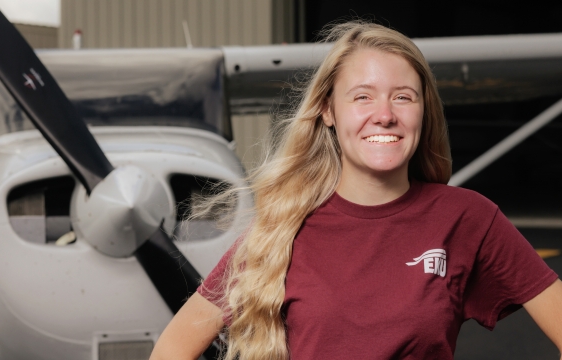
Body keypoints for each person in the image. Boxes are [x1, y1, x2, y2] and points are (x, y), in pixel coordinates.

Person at [150, 21, 562, 360]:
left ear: (423, 111)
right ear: (328, 111)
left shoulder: (468, 218)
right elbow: (171, 350)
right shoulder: (282, 232)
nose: (384, 115)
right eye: (362, 97)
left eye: (403, 97)